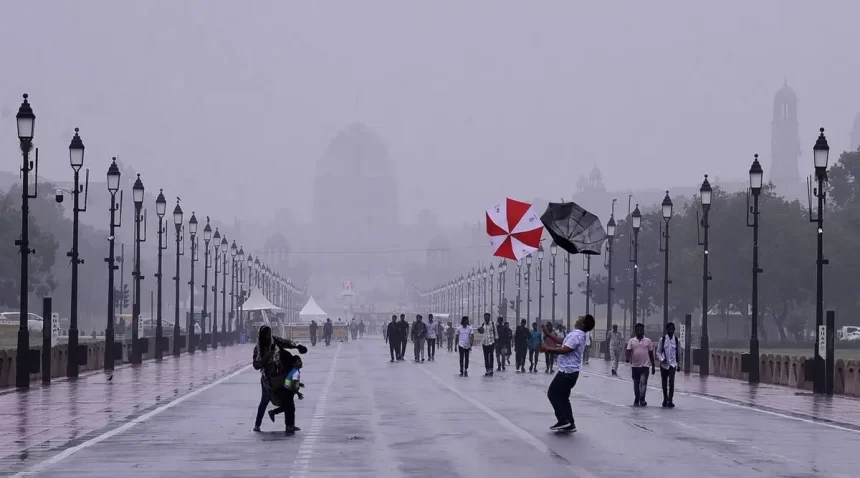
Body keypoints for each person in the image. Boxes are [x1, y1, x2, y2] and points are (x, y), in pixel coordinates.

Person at [540, 314, 595, 433]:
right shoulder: (580, 334)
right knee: (564, 397)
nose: (578, 319)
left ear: (583, 324)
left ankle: (563, 420)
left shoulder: (576, 335)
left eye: (581, 319)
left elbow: (565, 350)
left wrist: (548, 349)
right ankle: (570, 423)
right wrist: (548, 334)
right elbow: (562, 341)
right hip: (571, 372)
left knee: (553, 394)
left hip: (567, 371)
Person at [252, 325, 308, 432]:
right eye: (266, 334)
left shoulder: (275, 341)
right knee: (265, 400)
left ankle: (290, 425)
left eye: (269, 333)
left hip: (282, 376)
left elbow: (287, 343)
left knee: (289, 399)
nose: (268, 336)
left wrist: (297, 346)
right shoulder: (258, 349)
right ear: (261, 336)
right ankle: (257, 424)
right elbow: (256, 365)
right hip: (268, 379)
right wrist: (268, 355)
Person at [268, 355, 305, 435]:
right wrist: (298, 393)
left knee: (288, 408)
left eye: (300, 361)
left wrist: (299, 384)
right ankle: (289, 426)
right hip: (287, 392)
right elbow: (292, 385)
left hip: (287, 391)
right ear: (294, 364)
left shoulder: (294, 370)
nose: (301, 363)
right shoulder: (295, 372)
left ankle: (290, 424)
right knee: (289, 410)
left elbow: (293, 382)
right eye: (299, 361)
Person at [626, 323, 656, 406]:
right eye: (637, 330)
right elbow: (628, 351)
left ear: (643, 331)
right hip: (635, 366)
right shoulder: (631, 341)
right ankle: (637, 398)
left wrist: (653, 366)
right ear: (635, 331)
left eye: (641, 330)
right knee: (636, 383)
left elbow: (651, 354)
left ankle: (642, 399)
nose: (639, 331)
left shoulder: (648, 341)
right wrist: (628, 358)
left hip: (645, 366)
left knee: (643, 382)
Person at [657, 322, 680, 408]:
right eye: (669, 329)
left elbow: (678, 353)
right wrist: (662, 359)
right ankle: (665, 398)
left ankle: (670, 400)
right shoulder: (662, 340)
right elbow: (658, 352)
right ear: (667, 330)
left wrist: (679, 364)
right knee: (664, 382)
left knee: (671, 382)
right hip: (664, 364)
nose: (671, 331)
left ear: (674, 330)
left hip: (673, 365)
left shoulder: (677, 340)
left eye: (672, 329)